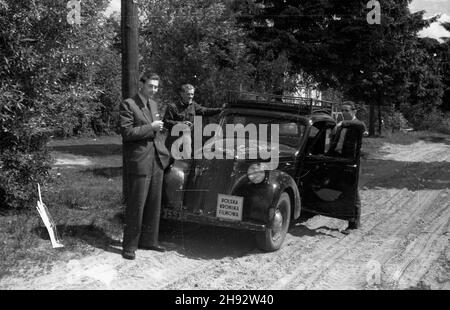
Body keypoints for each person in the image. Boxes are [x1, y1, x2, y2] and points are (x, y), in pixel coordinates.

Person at [120, 72, 171, 260]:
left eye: (156, 87)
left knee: (153, 203)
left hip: (156, 159)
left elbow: (156, 131)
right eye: (150, 86)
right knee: (137, 205)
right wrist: (152, 127)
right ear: (141, 84)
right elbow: (127, 133)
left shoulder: (154, 104)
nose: (153, 90)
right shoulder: (129, 104)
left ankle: (149, 241)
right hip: (140, 160)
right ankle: (129, 246)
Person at [163, 84, 222, 158]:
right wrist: (181, 124)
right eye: (188, 94)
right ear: (182, 94)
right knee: (170, 166)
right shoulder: (172, 107)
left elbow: (205, 111)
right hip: (173, 142)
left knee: (185, 166)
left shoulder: (193, 105)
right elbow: (165, 122)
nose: (190, 96)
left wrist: (221, 109)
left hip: (187, 144)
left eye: (192, 94)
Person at [338, 101, 367, 234]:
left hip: (352, 163)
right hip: (341, 160)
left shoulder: (357, 125)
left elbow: (361, 125)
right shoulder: (343, 126)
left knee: (353, 192)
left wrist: (342, 123)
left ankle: (354, 224)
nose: (344, 113)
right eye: (342, 110)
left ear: (354, 111)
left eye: (347, 110)